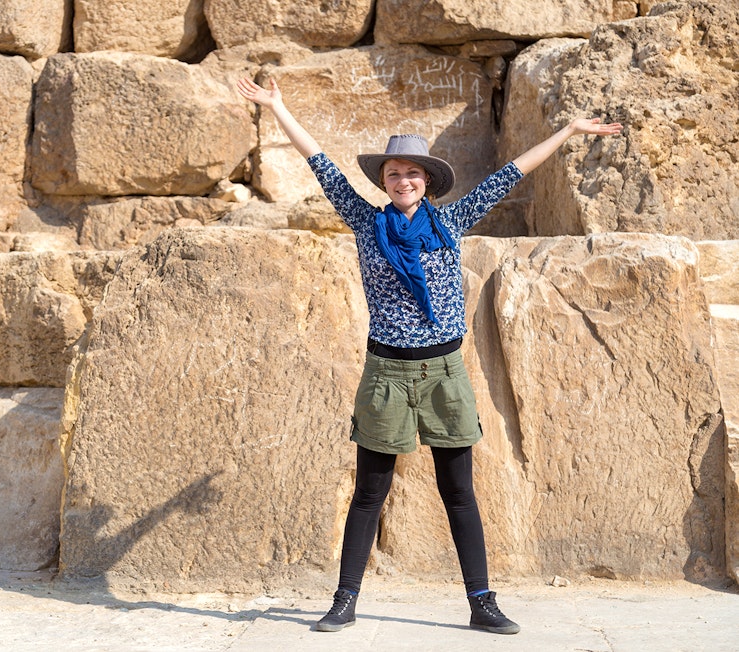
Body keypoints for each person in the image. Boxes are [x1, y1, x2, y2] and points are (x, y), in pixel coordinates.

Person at [236, 76, 622, 635]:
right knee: (371, 489)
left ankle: (482, 603)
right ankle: (344, 600)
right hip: (386, 371)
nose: (403, 180)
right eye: (394, 173)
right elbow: (321, 163)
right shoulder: (368, 222)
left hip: (445, 370)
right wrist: (277, 108)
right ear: (384, 181)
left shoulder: (451, 222)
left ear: (428, 181)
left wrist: (566, 130)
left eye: (412, 172)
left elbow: (511, 172)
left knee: (459, 490)